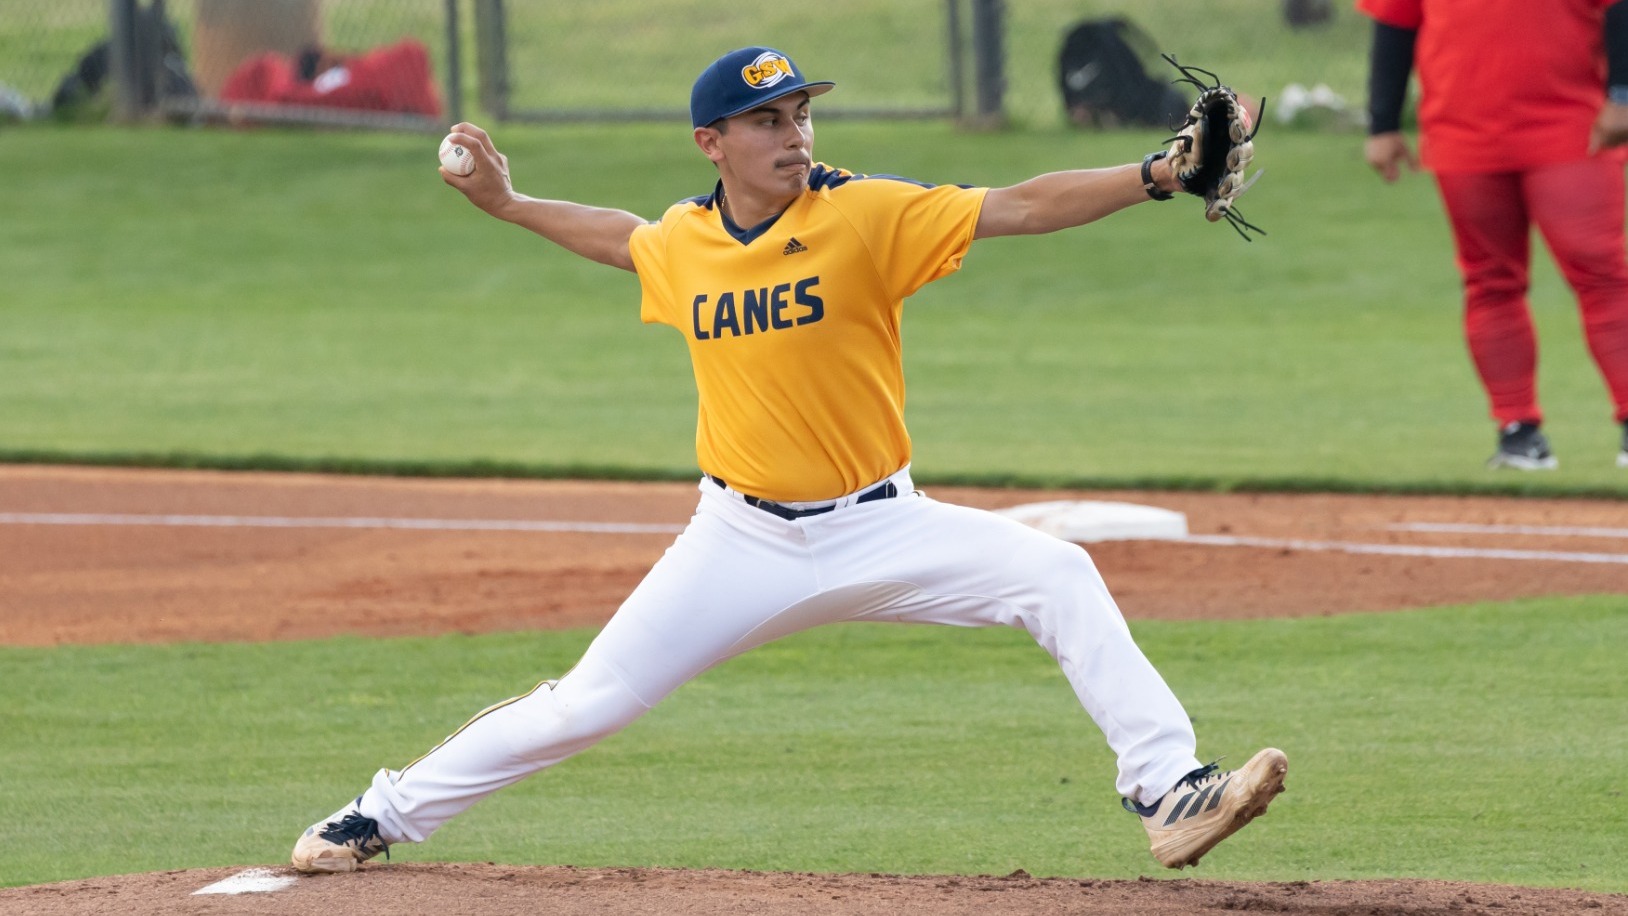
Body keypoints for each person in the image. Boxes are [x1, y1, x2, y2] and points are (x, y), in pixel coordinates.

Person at [291, 46, 1287, 876]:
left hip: (885, 523)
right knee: (582, 707)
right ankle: (374, 816)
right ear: (711, 142)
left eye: (801, 114)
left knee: (1056, 574)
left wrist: (1155, 174)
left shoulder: (860, 213)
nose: (794, 136)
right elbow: (626, 241)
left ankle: (1168, 792)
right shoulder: (687, 239)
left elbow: (1018, 205)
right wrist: (508, 205)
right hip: (737, 538)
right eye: (767, 120)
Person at [1359, 0, 1628, 470]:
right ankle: (1517, 431)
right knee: (1489, 281)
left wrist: (1623, 95)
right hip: (1463, 136)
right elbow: (1395, 23)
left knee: (1600, 273)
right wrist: (1382, 123)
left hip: (1571, 128)